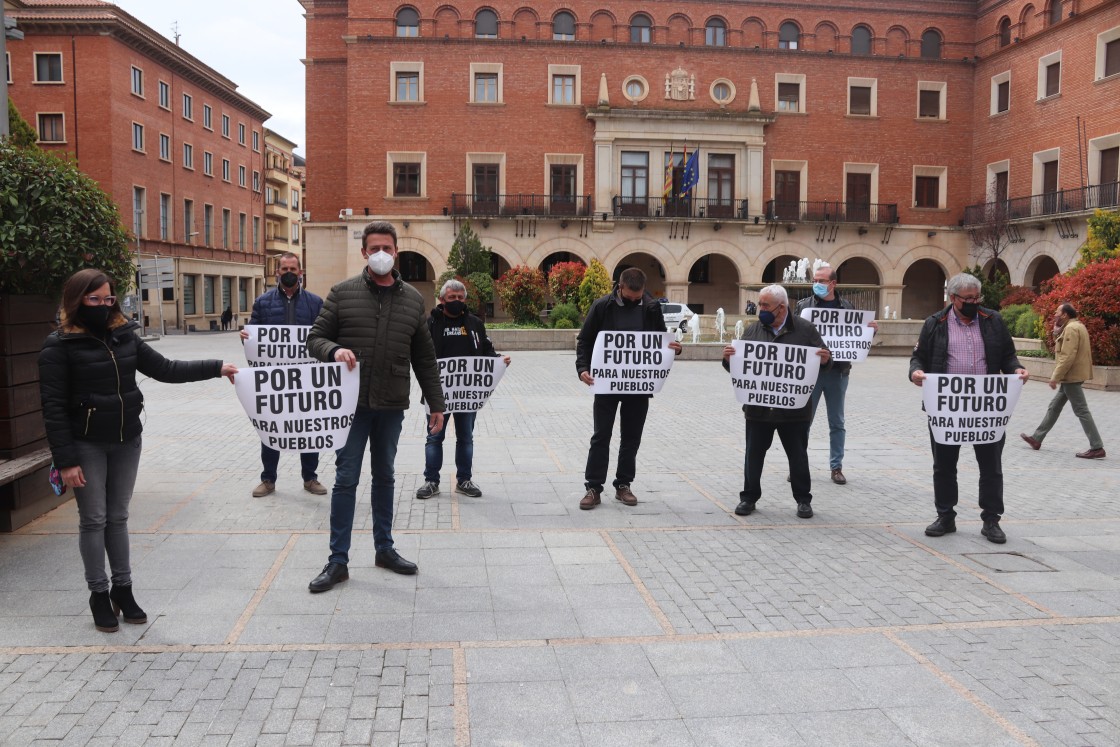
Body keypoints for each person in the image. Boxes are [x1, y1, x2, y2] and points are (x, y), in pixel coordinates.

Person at [38, 269, 237, 633]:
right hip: (86, 444)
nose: (102, 305)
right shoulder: (59, 344)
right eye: (93, 299)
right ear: (76, 300)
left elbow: (165, 368)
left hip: (127, 438)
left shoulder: (124, 335)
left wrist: (215, 367)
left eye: (108, 298)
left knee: (118, 517)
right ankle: (99, 594)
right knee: (93, 519)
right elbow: (51, 407)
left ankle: (123, 590)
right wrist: (66, 461)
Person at [305, 220, 445, 592]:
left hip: (391, 405)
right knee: (346, 479)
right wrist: (334, 351)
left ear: (395, 251)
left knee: (385, 477)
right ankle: (338, 561)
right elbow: (314, 338)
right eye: (374, 248)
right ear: (364, 252)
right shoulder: (342, 292)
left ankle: (385, 548)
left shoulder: (414, 300)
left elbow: (425, 358)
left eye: (387, 247)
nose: (380, 254)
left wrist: (437, 404)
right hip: (350, 408)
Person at [909, 273, 1029, 544]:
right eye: (969, 299)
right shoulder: (935, 323)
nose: (975, 303)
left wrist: (1016, 369)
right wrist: (916, 373)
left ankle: (991, 519)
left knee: (991, 466)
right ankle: (945, 516)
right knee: (944, 465)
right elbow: (918, 358)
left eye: (978, 298)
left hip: (985, 409)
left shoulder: (993, 320)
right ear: (953, 299)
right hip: (948, 410)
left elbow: (1008, 356)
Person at [575, 268, 682, 509]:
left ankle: (623, 485)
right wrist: (582, 368)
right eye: (631, 297)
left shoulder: (651, 307)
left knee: (631, 438)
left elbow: (659, 339)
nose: (636, 301)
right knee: (601, 436)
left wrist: (674, 348)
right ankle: (593, 487)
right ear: (620, 287)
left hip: (638, 384)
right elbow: (585, 339)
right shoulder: (602, 306)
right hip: (606, 383)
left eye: (639, 297)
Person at [722, 285, 831, 519]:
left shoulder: (805, 330)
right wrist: (728, 359)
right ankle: (748, 497)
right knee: (753, 455)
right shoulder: (753, 330)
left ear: (781, 308)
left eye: (764, 305)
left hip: (794, 410)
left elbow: (825, 360)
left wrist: (824, 360)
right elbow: (739, 369)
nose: (760, 309)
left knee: (798, 456)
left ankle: (803, 500)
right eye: (760, 304)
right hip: (758, 409)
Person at [241, 252, 327, 497]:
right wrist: (247, 339)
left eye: (293, 268)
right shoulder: (263, 302)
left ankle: (310, 478)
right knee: (271, 427)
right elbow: (255, 337)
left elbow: (323, 335)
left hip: (307, 380)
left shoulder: (315, 302)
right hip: (274, 381)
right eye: (284, 268)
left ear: (300, 272)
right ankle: (268, 479)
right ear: (277, 272)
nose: (289, 272)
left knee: (308, 428)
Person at [415, 279, 510, 500]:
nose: (456, 302)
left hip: (467, 394)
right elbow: (419, 355)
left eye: (460, 298)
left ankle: (464, 480)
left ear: (464, 299)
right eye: (451, 298)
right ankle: (431, 481)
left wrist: (498, 361)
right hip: (437, 394)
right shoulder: (430, 324)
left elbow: (487, 350)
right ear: (442, 300)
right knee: (434, 438)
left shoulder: (475, 324)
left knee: (465, 437)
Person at [795, 264, 878, 485]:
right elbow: (792, 335)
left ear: (833, 284)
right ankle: (798, 464)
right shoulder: (803, 306)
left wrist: (870, 331)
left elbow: (857, 339)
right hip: (810, 373)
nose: (817, 284)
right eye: (814, 280)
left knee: (837, 422)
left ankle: (836, 467)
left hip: (837, 372)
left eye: (821, 281)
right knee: (803, 420)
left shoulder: (847, 306)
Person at [1021, 303, 1105, 459]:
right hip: (1070, 376)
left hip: (1071, 377)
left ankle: (1097, 446)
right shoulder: (1075, 326)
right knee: (1054, 407)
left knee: (1081, 410)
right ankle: (1037, 438)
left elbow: (1067, 356)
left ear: (1065, 314)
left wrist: (1055, 377)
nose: (1055, 314)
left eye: (1057, 312)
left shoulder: (1071, 329)